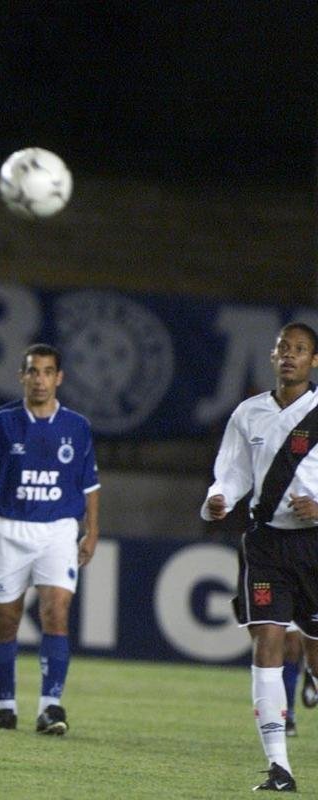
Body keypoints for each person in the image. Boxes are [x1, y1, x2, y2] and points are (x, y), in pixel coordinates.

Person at [0, 343, 100, 736]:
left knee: (56, 614)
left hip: (58, 530)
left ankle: (50, 707)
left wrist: (93, 529)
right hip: (8, 528)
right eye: (33, 372)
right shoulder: (0, 421)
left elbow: (90, 485)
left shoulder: (77, 426)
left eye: (47, 372)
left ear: (59, 378)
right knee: (7, 621)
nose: (40, 379)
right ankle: (5, 704)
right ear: (22, 376)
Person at [201, 321, 318, 792]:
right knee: (267, 643)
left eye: (300, 349)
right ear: (272, 357)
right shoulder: (247, 414)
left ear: (314, 361)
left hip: (315, 543)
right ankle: (279, 767)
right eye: (282, 348)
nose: (289, 355)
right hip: (266, 543)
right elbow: (229, 473)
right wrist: (218, 498)